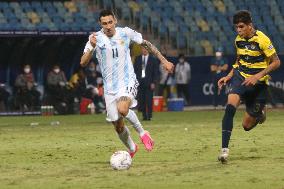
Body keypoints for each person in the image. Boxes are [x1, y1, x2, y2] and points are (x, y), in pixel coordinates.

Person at [80, 10, 174, 158]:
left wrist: (164, 60)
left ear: (115, 21)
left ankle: (143, 133)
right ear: (100, 24)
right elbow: (83, 62)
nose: (108, 26)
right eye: (104, 23)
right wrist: (91, 47)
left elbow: (146, 44)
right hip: (109, 89)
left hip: (127, 81)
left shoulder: (125, 33)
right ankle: (132, 148)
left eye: (110, 22)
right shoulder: (95, 38)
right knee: (118, 126)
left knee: (123, 108)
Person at [217, 10, 281, 163]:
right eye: (236, 28)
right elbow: (239, 61)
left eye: (241, 27)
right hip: (240, 78)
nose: (238, 30)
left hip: (258, 85)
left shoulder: (263, 40)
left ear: (249, 25)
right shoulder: (238, 39)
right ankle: (224, 150)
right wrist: (229, 76)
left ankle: (261, 114)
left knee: (246, 126)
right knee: (230, 108)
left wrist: (258, 76)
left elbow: (276, 62)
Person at [134, 46, 159, 121]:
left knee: (149, 100)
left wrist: (153, 82)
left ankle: (149, 116)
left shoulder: (153, 60)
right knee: (142, 100)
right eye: (143, 49)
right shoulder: (137, 59)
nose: (144, 50)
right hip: (140, 82)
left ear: (148, 50)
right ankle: (144, 116)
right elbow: (135, 71)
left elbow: (155, 72)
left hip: (149, 83)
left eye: (145, 49)